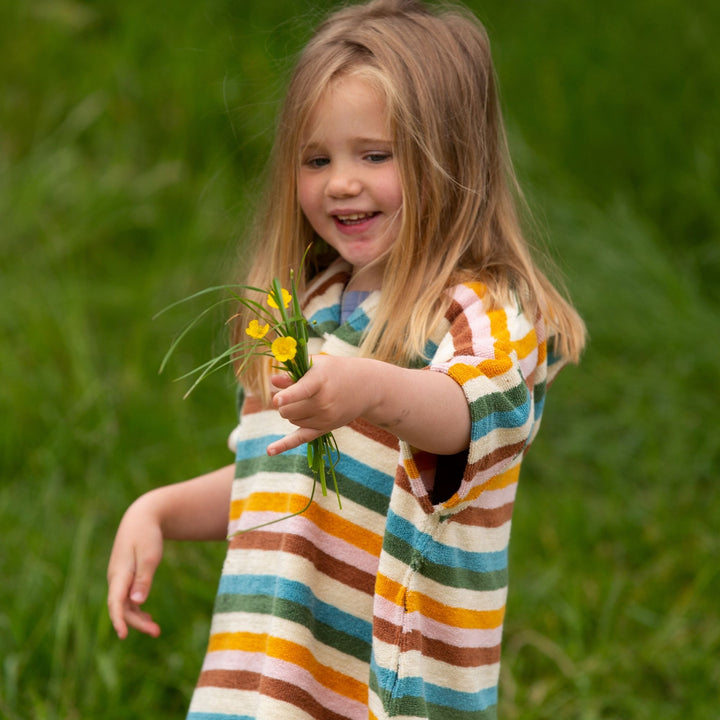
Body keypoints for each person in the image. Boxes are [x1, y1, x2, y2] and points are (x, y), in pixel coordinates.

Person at [107, 1, 586, 718]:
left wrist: (369, 390)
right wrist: (160, 510)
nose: (340, 182)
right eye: (316, 159)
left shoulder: (479, 313)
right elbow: (272, 475)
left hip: (377, 691)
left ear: (449, 158)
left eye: (374, 155)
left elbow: (470, 415)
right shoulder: (304, 310)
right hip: (262, 684)